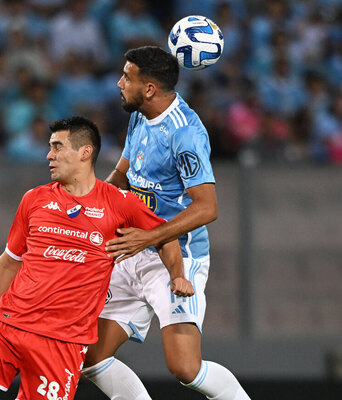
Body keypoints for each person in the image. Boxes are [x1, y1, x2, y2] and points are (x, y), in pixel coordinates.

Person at [0, 116, 194, 400]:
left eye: (58, 147)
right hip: (7, 327)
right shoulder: (34, 199)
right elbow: (8, 263)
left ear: (85, 152)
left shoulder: (120, 203)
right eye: (50, 148)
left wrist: (177, 276)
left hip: (62, 344)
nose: (49, 155)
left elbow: (165, 237)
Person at [81, 46, 251, 400]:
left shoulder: (185, 134)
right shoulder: (140, 115)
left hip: (176, 257)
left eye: (127, 77)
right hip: (133, 250)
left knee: (185, 368)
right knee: (87, 355)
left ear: (149, 89)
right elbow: (123, 175)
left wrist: (148, 238)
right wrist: (90, 207)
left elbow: (207, 208)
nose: (118, 83)